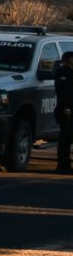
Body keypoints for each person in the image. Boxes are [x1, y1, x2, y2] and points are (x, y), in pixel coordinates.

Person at [55, 44, 73, 174]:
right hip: (66, 109)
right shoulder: (63, 72)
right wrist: (66, 107)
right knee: (65, 138)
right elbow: (63, 92)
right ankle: (63, 166)